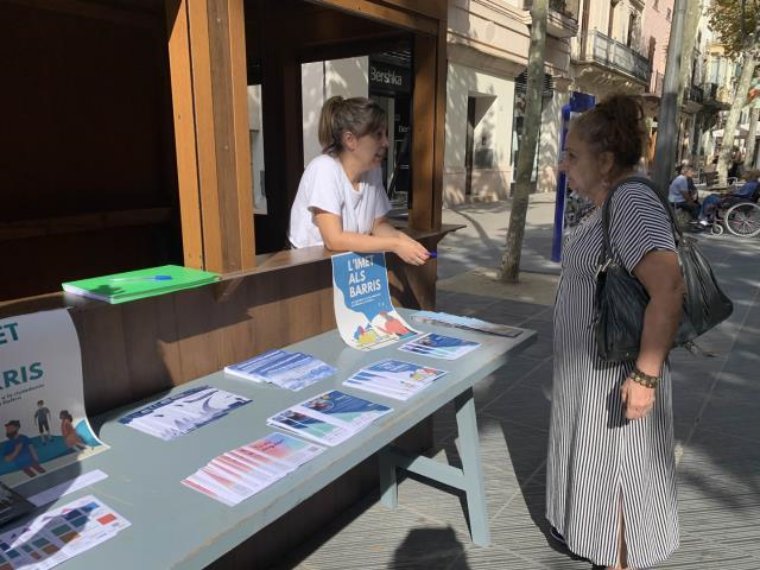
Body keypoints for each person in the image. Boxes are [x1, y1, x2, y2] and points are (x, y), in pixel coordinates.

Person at [547, 94, 684, 570]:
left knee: (618, 475)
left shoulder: (630, 201)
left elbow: (667, 288)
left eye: (572, 156)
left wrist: (645, 378)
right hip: (593, 374)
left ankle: (619, 561)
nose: (564, 166)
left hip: (616, 375)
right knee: (602, 473)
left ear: (605, 161)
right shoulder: (612, 200)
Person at [288, 96, 430, 265]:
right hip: (309, 272)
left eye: (385, 134)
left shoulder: (373, 171)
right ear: (350, 140)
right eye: (378, 135)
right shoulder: (324, 169)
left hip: (348, 268)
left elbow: (378, 225)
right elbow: (334, 239)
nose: (386, 142)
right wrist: (395, 244)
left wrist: (404, 240)